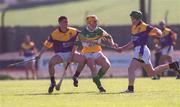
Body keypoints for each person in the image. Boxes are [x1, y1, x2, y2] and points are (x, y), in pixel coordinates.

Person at [117, 11, 180, 93]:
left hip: (141, 50)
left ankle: (130, 89)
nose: (132, 20)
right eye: (132, 18)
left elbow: (156, 30)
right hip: (141, 50)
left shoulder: (144, 26)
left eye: (134, 19)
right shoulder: (133, 27)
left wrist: (159, 32)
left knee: (131, 68)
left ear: (138, 19)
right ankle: (172, 65)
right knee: (151, 73)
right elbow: (133, 42)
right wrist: (122, 48)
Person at [37, 16, 85, 94]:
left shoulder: (73, 31)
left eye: (67, 22)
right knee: (51, 63)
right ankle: (52, 82)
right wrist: (39, 55)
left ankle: (75, 76)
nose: (66, 23)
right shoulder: (54, 34)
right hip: (60, 54)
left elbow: (83, 35)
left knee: (83, 59)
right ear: (59, 23)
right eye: (64, 22)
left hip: (72, 53)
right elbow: (46, 46)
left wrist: (91, 39)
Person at [73, 15, 118, 92]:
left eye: (96, 21)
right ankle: (100, 86)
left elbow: (109, 37)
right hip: (87, 53)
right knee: (93, 68)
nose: (96, 23)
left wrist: (112, 44)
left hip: (97, 52)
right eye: (94, 22)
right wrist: (73, 53)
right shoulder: (83, 33)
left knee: (107, 65)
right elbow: (76, 44)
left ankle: (96, 79)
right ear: (89, 23)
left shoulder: (99, 30)